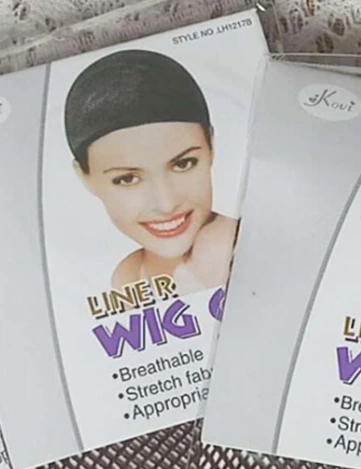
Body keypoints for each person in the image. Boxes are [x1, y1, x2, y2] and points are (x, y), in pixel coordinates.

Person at [64, 49, 236, 295]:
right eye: (128, 179)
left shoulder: (237, 245)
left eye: (183, 164)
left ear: (211, 146)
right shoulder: (128, 274)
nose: (166, 204)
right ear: (85, 177)